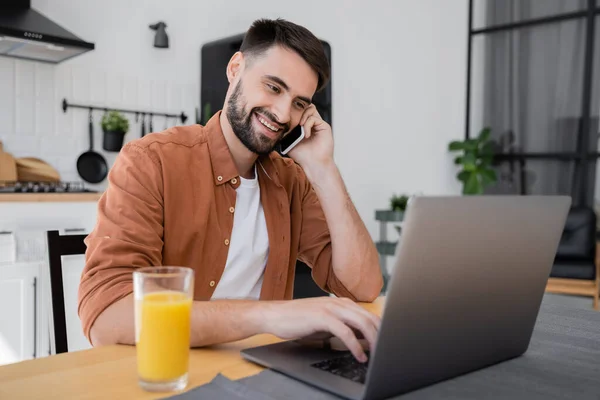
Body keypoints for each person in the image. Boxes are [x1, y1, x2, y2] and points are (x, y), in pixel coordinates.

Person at [78, 18, 383, 363]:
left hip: (259, 375)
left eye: (299, 103)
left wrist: (323, 168)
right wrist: (268, 316)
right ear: (236, 68)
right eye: (273, 87)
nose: (283, 113)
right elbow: (106, 317)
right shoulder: (151, 161)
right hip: (170, 372)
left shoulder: (291, 179)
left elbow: (363, 286)